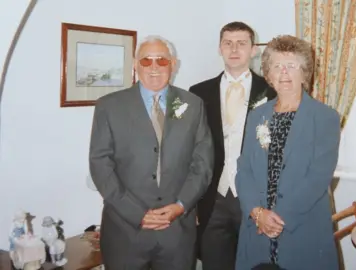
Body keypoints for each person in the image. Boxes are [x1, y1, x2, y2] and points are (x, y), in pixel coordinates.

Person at [89, 35, 214, 270]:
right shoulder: (109, 106)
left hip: (177, 232)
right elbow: (100, 164)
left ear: (173, 64)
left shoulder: (193, 104)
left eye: (162, 61)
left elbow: (203, 163)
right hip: (126, 232)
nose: (154, 67)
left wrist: (181, 205)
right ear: (135, 65)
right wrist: (136, 213)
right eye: (146, 61)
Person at [235, 35, 341, 270]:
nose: (284, 72)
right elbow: (244, 169)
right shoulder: (257, 115)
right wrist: (257, 212)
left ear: (304, 73)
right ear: (268, 75)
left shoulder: (325, 117)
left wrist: (278, 219)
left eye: (291, 66)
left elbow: (318, 177)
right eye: (276, 66)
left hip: (302, 228)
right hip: (258, 228)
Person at [189, 21, 276, 270]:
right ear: (219, 48)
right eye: (228, 43)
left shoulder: (271, 91)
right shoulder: (197, 92)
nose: (234, 48)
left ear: (254, 49)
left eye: (241, 43)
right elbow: (189, 149)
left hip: (256, 200)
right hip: (212, 199)